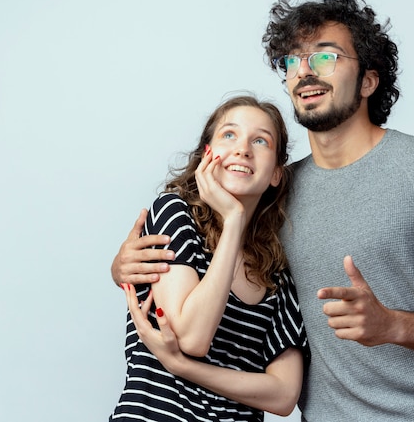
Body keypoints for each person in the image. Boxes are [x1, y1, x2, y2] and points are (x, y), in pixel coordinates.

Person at [111, 0, 414, 422]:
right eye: (293, 61)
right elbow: (215, 259)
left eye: (326, 57)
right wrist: (122, 268)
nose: (305, 71)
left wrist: (393, 326)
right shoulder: (274, 196)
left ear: (368, 80)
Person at [109, 95, 309, 422]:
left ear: (276, 172)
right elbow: (192, 336)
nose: (243, 149)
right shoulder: (174, 215)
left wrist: (183, 367)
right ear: (207, 154)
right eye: (229, 135)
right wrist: (233, 221)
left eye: (260, 140)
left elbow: (285, 395)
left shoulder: (278, 274)